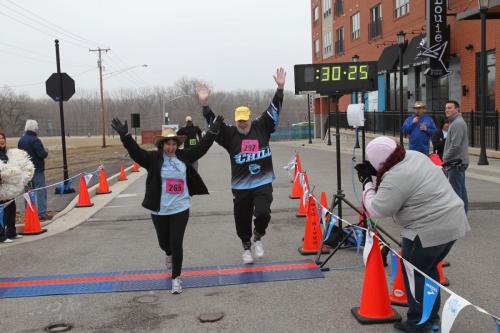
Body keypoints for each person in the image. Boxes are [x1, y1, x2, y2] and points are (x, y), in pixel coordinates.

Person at [355, 136, 470, 333]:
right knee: (428, 271)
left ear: (381, 163)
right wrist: (378, 172)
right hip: (453, 222)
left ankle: (420, 323)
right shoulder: (414, 155)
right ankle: (431, 319)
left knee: (415, 274)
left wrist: (367, 182)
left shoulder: (396, 176)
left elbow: (378, 209)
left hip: (426, 230)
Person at [111, 115, 223, 294]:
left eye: (174, 144)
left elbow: (202, 148)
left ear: (177, 145)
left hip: (181, 207)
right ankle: (167, 253)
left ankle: (176, 278)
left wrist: (213, 130)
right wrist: (125, 136)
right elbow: (135, 152)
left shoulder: (184, 156)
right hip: (160, 209)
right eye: (167, 144)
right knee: (165, 243)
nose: (171, 148)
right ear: (161, 145)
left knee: (176, 242)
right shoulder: (152, 159)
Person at [196, 67, 286, 264]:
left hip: (262, 182)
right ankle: (246, 247)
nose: (242, 124)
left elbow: (274, 109)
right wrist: (204, 104)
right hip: (241, 186)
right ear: (235, 121)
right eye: (239, 121)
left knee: (263, 213)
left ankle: (259, 236)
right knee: (242, 218)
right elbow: (213, 124)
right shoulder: (229, 135)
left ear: (250, 118)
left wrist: (280, 89)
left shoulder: (262, 126)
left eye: (245, 120)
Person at [18, 120, 49, 220]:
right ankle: (41, 214)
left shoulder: (21, 140)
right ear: (35, 128)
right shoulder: (36, 140)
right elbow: (42, 154)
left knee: (28, 192)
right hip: (37, 170)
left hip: (26, 171)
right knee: (40, 191)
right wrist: (46, 152)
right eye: (37, 127)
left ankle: (30, 213)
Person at [443, 100, 469, 213]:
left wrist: (445, 158)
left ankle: (459, 216)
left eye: (450, 108)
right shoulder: (455, 122)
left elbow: (455, 145)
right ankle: (463, 214)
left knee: (456, 192)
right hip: (457, 162)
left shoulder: (457, 123)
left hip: (456, 163)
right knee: (461, 190)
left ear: (457, 109)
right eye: (446, 108)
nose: (447, 110)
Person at [0, 132, 22, 243]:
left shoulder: (6, 153)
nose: (1, 140)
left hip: (7, 187)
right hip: (0, 188)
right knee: (1, 210)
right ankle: (1, 236)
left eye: (3, 138)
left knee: (11, 208)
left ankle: (11, 232)